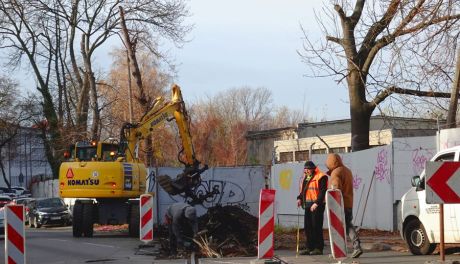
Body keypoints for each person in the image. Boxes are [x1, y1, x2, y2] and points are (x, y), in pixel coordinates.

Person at [326, 153, 363, 258]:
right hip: (348, 202)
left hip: (339, 204)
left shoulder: (336, 173)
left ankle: (356, 246)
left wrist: (330, 202)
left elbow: (335, 190)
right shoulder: (347, 170)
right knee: (345, 225)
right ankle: (338, 251)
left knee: (345, 226)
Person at [296, 161, 328, 255]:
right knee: (308, 227)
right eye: (305, 169)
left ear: (313, 169)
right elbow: (304, 191)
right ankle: (310, 247)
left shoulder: (321, 176)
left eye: (308, 169)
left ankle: (318, 248)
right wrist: (299, 198)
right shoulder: (307, 177)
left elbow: (323, 191)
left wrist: (316, 203)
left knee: (316, 227)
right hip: (308, 206)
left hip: (317, 206)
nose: (306, 171)